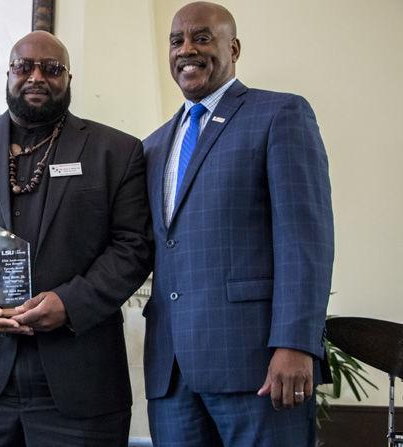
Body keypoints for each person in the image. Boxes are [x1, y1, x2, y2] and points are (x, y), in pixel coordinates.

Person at [0, 30, 153, 446]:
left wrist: (71, 304)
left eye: (51, 68)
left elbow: (134, 246)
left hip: (80, 378)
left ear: (69, 79)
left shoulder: (116, 151)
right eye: (24, 66)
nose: (36, 76)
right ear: (8, 74)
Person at [142, 2, 334, 446]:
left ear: (234, 47)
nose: (186, 49)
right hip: (170, 377)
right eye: (176, 41)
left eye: (202, 37)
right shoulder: (152, 147)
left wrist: (296, 343)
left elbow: (306, 239)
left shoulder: (279, 115)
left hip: (258, 367)